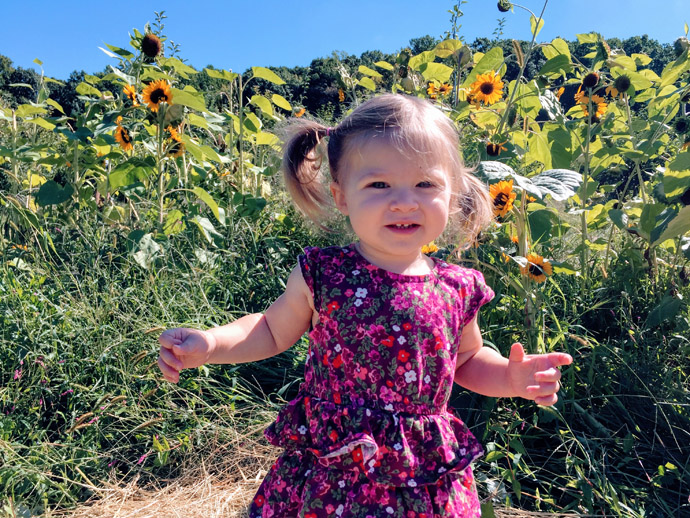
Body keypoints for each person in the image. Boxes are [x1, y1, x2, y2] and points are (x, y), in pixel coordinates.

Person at [157, 94, 573, 518]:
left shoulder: (457, 287)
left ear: (451, 195)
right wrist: (211, 344)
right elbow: (269, 329)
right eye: (379, 185)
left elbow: (466, 359)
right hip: (331, 470)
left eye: (425, 184)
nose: (405, 201)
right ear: (341, 197)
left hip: (420, 477)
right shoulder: (323, 273)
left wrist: (509, 376)